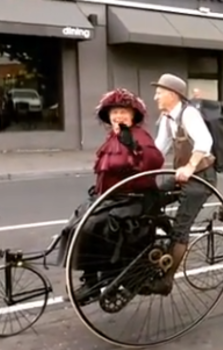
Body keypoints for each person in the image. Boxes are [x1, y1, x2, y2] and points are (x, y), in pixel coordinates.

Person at [65, 88, 165, 301]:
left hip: (133, 198)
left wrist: (134, 148)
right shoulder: (113, 137)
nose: (118, 116)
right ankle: (90, 279)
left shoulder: (138, 135)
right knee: (75, 224)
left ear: (132, 115)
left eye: (123, 112)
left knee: (93, 226)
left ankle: (100, 281)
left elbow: (155, 161)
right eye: (114, 113)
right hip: (109, 197)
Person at [150, 73, 216, 295]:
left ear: (172, 95)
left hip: (201, 176)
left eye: (159, 93)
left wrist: (190, 166)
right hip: (181, 175)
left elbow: (205, 142)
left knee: (181, 230)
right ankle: (166, 235)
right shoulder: (168, 118)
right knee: (151, 195)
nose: (155, 97)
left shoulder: (189, 114)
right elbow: (159, 149)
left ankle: (166, 281)